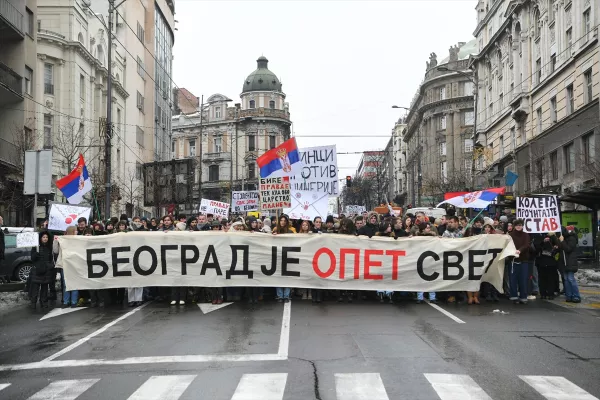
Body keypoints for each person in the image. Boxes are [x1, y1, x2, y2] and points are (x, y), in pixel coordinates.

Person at [30, 231, 55, 309]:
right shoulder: (36, 247)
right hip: (37, 270)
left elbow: (51, 258)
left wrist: (50, 266)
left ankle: (43, 302)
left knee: (44, 287)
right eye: (43, 237)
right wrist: (35, 255)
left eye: (46, 237)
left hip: (47, 270)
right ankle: (33, 302)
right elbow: (32, 258)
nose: (45, 239)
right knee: (35, 288)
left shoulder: (50, 247)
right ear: (40, 238)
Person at [509, 219, 531, 304]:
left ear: (522, 226)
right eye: (517, 225)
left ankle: (523, 297)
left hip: (523, 260)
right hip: (513, 260)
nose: (519, 226)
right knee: (513, 280)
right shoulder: (510, 235)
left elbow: (526, 245)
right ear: (514, 226)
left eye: (520, 225)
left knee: (523, 279)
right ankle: (514, 296)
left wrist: (520, 250)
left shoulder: (526, 235)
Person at [273, 215, 293, 302]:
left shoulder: (290, 232)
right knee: (278, 276)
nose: (283, 222)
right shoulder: (275, 231)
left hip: (287, 255)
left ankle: (286, 295)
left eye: (284, 220)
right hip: (277, 255)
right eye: (281, 220)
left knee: (287, 276)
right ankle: (280, 295)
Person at [558, 226, 581, 303]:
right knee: (566, 279)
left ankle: (576, 296)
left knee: (570, 279)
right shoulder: (564, 238)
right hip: (564, 262)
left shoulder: (572, 238)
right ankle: (569, 295)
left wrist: (562, 241)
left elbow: (568, 249)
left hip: (570, 262)